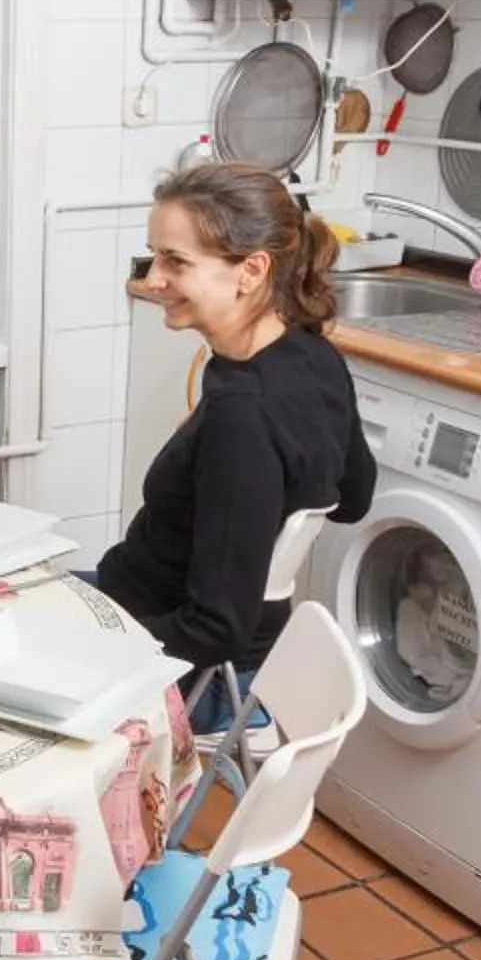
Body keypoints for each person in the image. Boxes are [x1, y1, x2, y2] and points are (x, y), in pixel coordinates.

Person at [96, 160, 376, 726]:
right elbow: (353, 498)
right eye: (155, 256)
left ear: (251, 270)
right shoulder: (311, 355)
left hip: (177, 669)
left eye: (175, 261)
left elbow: (214, 629)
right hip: (199, 640)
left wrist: (89, 649)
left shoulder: (243, 415)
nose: (152, 279)